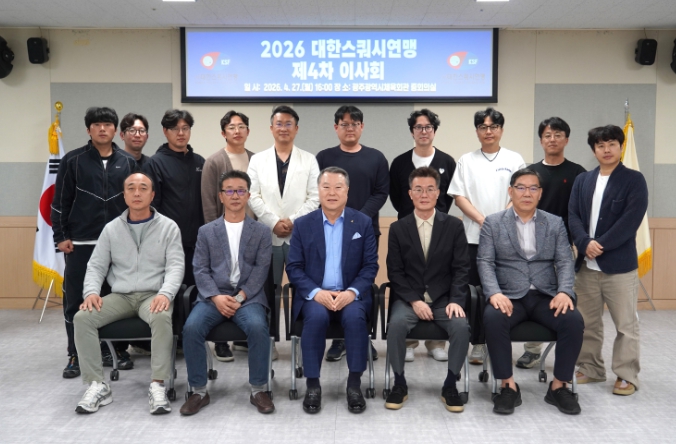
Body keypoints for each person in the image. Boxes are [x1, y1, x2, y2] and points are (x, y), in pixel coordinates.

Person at [73, 172, 184, 415]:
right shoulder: (111, 229)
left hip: (153, 295)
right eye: (131, 188)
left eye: (143, 188)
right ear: (124, 195)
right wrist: (91, 292)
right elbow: (96, 266)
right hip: (121, 297)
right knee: (82, 318)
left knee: (161, 317)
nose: (137, 193)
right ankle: (97, 385)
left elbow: (176, 266)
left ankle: (158, 384)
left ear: (152, 195)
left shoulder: (168, 227)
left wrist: (165, 294)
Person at [478, 168, 584, 415]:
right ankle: (507, 386)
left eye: (533, 188)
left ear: (540, 193)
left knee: (573, 320)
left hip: (546, 296)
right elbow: (485, 261)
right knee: (493, 318)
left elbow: (565, 261)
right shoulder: (493, 222)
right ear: (511, 191)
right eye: (521, 187)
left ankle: (559, 386)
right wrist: (494, 293)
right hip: (508, 296)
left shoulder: (554, 222)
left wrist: (564, 291)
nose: (527, 193)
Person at [52, 106, 138, 379]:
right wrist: (60, 236)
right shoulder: (73, 160)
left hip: (120, 244)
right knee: (77, 300)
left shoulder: (127, 162)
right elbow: (60, 200)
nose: (102, 129)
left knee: (116, 298)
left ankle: (115, 350)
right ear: (88, 129)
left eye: (107, 124)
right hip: (81, 243)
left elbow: (137, 203)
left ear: (115, 130)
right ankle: (76, 353)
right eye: (97, 124)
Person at [181, 171, 274, 416]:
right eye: (229, 190)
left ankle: (259, 389)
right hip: (213, 297)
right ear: (221, 196)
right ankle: (198, 391)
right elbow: (200, 269)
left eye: (241, 190)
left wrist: (240, 297)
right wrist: (215, 297)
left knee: (257, 327)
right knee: (191, 328)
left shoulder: (262, 231)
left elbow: (261, 270)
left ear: (248, 196)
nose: (235, 195)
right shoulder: (206, 231)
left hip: (248, 297)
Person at [286, 167, 378, 414]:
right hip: (316, 295)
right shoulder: (303, 225)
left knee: (355, 318)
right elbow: (294, 267)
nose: (332, 192)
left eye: (338, 187)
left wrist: (352, 292)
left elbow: (370, 266)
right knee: (316, 318)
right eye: (326, 187)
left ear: (347, 191)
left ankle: (354, 384)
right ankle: (313, 385)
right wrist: (316, 292)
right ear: (318, 190)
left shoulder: (362, 222)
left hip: (350, 295)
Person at [568, 125, 648, 396]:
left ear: (621, 147)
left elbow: (631, 220)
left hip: (619, 268)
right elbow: (573, 215)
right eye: (600, 145)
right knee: (587, 323)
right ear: (594, 150)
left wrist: (599, 245)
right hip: (585, 268)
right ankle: (591, 368)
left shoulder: (634, 180)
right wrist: (584, 243)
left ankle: (626, 375)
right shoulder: (583, 180)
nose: (606, 150)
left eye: (612, 144)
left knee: (626, 325)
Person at [385, 167, 470, 412]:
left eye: (430, 189)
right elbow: (395, 272)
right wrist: (415, 301)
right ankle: (399, 383)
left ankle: (450, 384)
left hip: (444, 298)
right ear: (410, 193)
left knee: (461, 326)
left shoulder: (453, 226)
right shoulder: (398, 228)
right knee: (396, 325)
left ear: (438, 193)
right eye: (419, 189)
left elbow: (461, 268)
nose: (424, 194)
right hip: (409, 299)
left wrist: (456, 300)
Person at [448, 107, 525, 365]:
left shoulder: (514, 159)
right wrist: (483, 221)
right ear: (477, 131)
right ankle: (478, 344)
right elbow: (459, 197)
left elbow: (521, 194)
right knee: (476, 293)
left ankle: (499, 342)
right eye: (483, 127)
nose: (488, 131)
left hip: (508, 238)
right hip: (473, 238)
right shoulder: (466, 160)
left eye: (493, 126)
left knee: (504, 292)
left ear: (501, 129)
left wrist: (498, 221)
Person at [316, 105, 388, 363]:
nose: (350, 128)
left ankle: (362, 337)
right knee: (336, 282)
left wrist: (358, 220)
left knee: (361, 285)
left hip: (365, 232)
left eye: (354, 124)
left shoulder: (376, 157)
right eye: (344, 124)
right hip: (330, 230)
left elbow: (381, 192)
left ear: (362, 127)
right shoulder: (324, 157)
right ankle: (339, 340)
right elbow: (318, 192)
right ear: (336, 127)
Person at [516, 117, 586, 369]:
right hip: (531, 246)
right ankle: (532, 350)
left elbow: (582, 212)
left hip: (565, 246)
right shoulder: (531, 172)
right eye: (547, 135)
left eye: (558, 135)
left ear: (566, 140)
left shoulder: (578, 173)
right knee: (532, 295)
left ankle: (571, 354)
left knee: (565, 298)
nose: (552, 139)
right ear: (541, 140)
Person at [389, 108, 457, 362]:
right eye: (419, 127)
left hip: (439, 231)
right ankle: (408, 341)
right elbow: (397, 197)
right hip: (408, 229)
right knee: (408, 278)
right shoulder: (399, 163)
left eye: (428, 127)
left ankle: (436, 343)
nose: (423, 131)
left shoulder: (447, 162)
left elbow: (448, 197)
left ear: (434, 131)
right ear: (412, 131)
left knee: (438, 281)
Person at [201, 110, 256, 363]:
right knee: (223, 283)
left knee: (246, 281)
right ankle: (221, 342)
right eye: (232, 127)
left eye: (241, 126)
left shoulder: (256, 160)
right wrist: (214, 236)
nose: (237, 131)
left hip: (250, 233)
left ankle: (244, 338)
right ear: (224, 132)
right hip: (222, 233)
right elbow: (209, 202)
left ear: (248, 131)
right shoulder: (214, 161)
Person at [247, 105, 320, 291]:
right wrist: (273, 222)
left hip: (299, 234)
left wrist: (293, 221)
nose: (283, 128)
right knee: (268, 289)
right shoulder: (257, 160)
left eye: (288, 124)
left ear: (296, 129)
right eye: (279, 124)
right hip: (267, 235)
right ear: (271, 128)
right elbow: (252, 195)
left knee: (303, 288)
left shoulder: (309, 159)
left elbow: (315, 197)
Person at [143, 109, 205, 289]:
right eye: (175, 129)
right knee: (172, 291)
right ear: (165, 131)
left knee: (195, 291)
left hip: (198, 243)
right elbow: (152, 206)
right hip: (168, 243)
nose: (181, 133)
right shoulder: (155, 163)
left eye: (185, 128)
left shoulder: (200, 162)